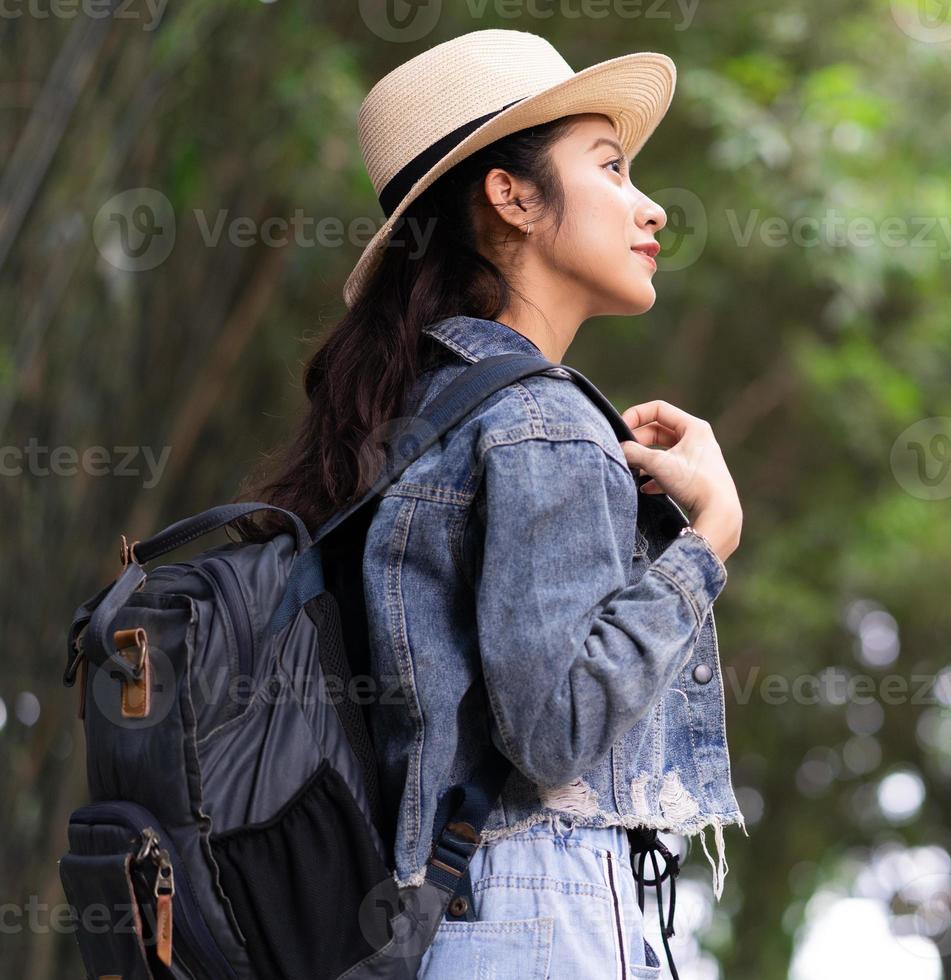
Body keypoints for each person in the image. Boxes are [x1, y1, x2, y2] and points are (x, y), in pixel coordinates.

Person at [237, 29, 747, 979]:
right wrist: (709, 538)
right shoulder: (540, 423)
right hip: (539, 911)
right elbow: (553, 734)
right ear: (510, 197)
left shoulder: (420, 410)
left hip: (443, 907)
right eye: (612, 167)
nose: (654, 206)